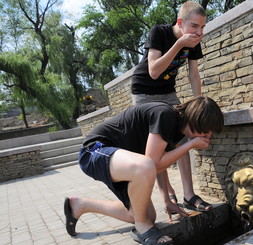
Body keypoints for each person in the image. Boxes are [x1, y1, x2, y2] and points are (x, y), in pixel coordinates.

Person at [64, 96, 224, 245]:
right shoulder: (165, 115)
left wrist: (167, 201)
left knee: (145, 215)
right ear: (195, 119)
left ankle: (80, 205)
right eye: (206, 130)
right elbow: (153, 164)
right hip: (94, 150)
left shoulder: (176, 127)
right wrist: (189, 145)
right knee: (145, 170)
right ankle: (143, 228)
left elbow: (159, 164)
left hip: (124, 162)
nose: (208, 136)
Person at [131, 1, 211, 215]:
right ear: (180, 22)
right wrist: (178, 45)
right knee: (157, 144)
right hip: (144, 91)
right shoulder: (159, 32)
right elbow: (154, 71)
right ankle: (166, 196)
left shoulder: (194, 42)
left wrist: (198, 104)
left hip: (168, 92)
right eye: (194, 26)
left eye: (202, 27)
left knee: (182, 137)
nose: (199, 32)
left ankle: (188, 195)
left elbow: (193, 74)